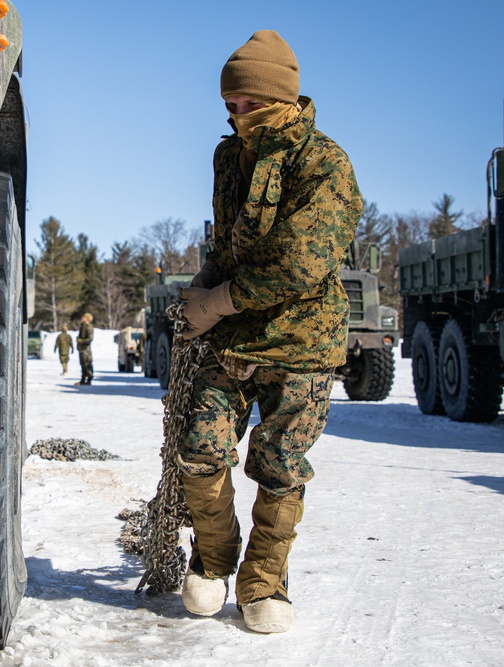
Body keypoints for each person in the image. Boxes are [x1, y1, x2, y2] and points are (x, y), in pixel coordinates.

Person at [176, 30, 362, 634]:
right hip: (229, 342)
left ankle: (264, 583)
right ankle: (212, 562)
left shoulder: (324, 163)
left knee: (279, 464)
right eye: (230, 104)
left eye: (249, 104)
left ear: (281, 96)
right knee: (200, 450)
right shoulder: (229, 156)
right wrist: (203, 286)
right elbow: (229, 239)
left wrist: (218, 303)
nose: (237, 115)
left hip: (300, 343)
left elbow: (300, 263)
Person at [76, 313, 94, 385]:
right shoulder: (82, 326)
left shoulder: (88, 327)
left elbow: (90, 339)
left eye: (84, 317)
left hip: (86, 349)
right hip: (81, 348)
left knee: (87, 364)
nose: (82, 318)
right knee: (82, 364)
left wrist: (81, 341)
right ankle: (83, 379)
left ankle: (89, 379)